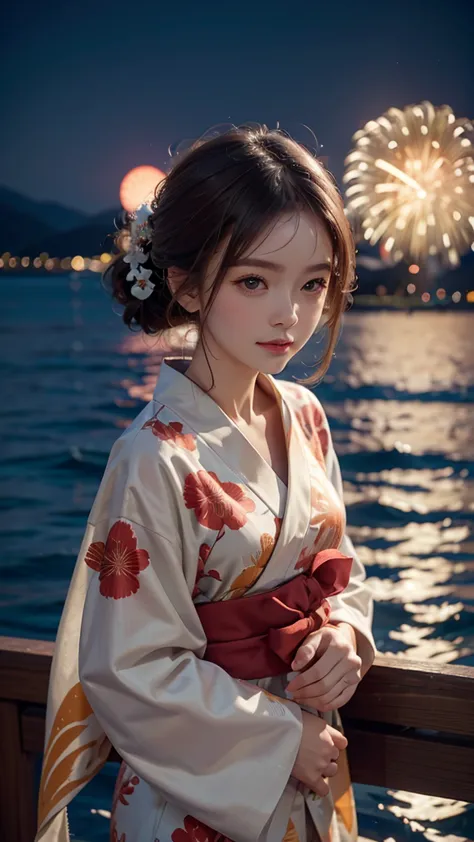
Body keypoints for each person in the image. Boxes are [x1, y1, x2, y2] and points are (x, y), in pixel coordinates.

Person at [35, 125, 376, 842]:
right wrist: (282, 737)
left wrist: (345, 635)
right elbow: (127, 666)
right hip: (202, 797)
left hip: (310, 751)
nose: (290, 314)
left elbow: (336, 568)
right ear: (186, 285)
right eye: (255, 280)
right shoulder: (152, 456)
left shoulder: (305, 416)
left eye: (313, 283)